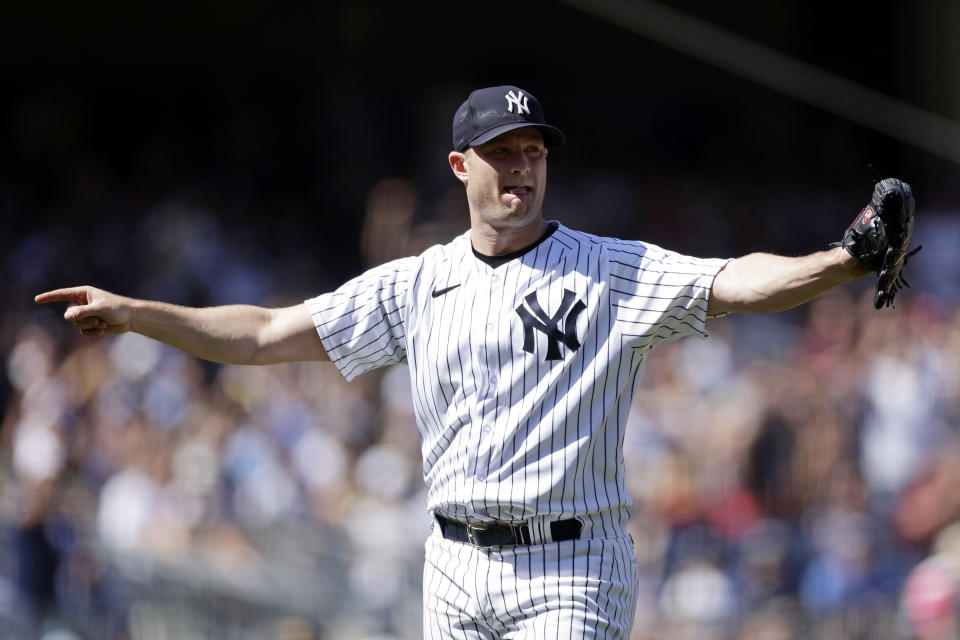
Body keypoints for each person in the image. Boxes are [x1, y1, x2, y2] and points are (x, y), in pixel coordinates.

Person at [36, 85, 887, 639]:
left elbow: (735, 283)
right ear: (460, 166)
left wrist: (841, 262)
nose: (523, 166)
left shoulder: (610, 268)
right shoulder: (419, 282)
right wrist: (140, 315)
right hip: (452, 563)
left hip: (570, 565)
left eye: (534, 151)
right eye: (503, 152)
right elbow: (264, 332)